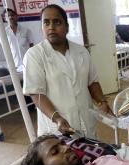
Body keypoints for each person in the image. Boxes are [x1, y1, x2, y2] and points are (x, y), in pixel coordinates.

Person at [23, 4, 113, 138]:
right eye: (46, 22)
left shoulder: (81, 51)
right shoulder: (34, 55)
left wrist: (103, 102)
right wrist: (57, 118)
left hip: (86, 120)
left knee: (90, 154)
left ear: (67, 27)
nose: (51, 27)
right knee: (65, 157)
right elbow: (36, 94)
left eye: (57, 22)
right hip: (56, 127)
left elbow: (92, 81)